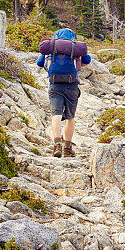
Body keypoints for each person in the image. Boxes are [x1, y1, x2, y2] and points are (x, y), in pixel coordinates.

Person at [36, 28, 91, 158]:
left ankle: (56, 145)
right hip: (72, 87)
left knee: (56, 114)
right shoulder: (75, 48)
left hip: (54, 85)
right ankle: (67, 148)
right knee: (70, 117)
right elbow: (87, 61)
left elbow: (39, 63)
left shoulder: (52, 47)